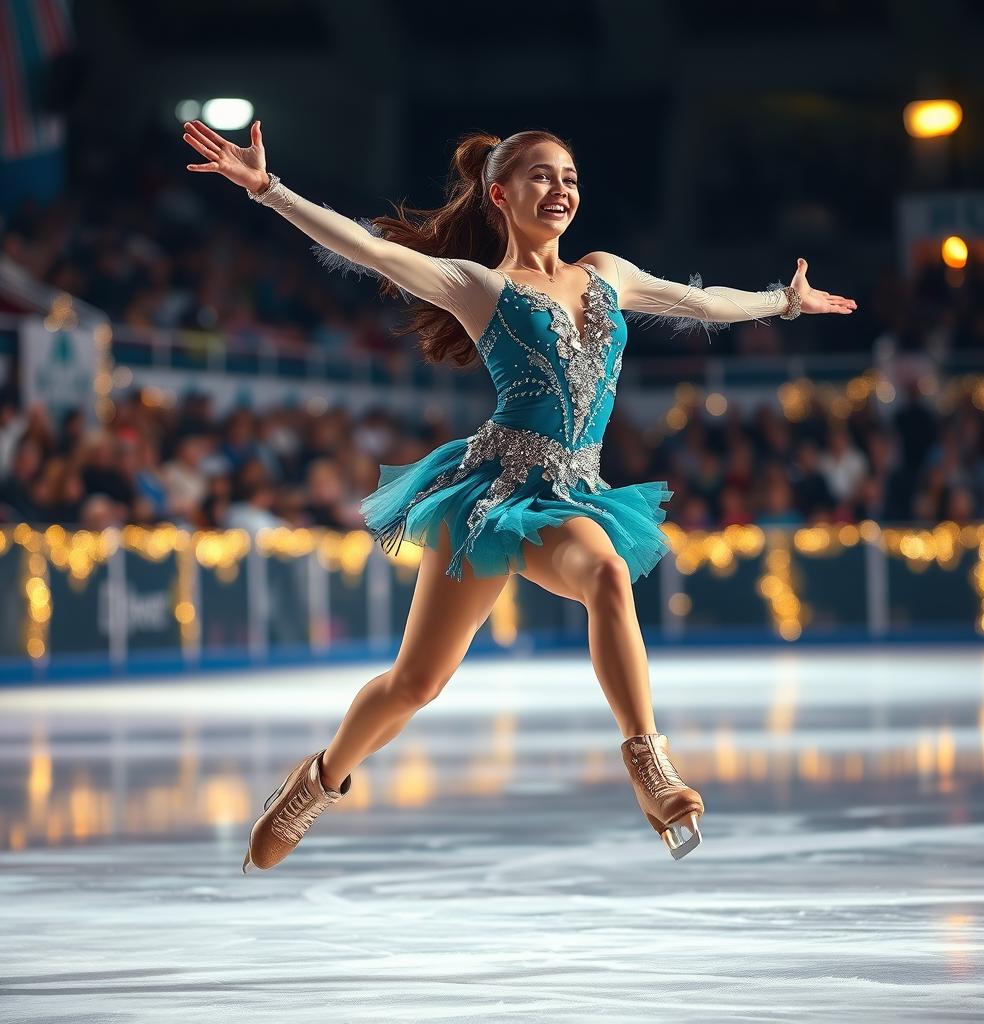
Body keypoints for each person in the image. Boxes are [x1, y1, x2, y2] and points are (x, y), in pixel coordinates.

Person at [182, 118, 857, 871]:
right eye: (541, 175)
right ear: (499, 195)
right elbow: (368, 249)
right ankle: (318, 779)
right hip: (492, 496)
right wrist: (267, 189)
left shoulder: (606, 274)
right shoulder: (481, 287)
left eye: (569, 176)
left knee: (606, 572)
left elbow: (700, 304)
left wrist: (783, 303)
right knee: (416, 683)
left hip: (575, 497)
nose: (560, 188)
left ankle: (647, 761)